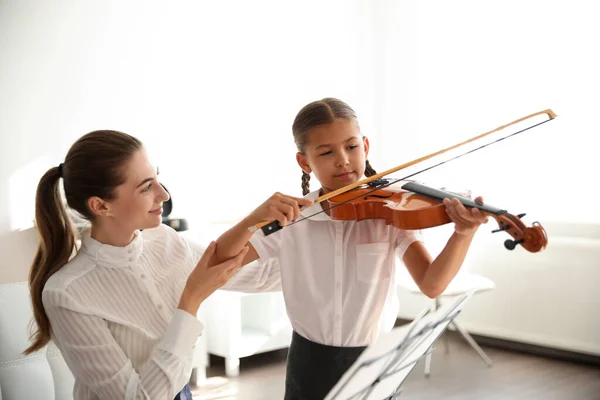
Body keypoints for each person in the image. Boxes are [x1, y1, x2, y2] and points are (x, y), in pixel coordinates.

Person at [212, 97, 490, 399]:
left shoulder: (391, 212)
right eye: (327, 152)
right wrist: (253, 218)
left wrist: (463, 233)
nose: (343, 159)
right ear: (305, 161)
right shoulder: (294, 219)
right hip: (309, 362)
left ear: (365, 146)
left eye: (351, 147)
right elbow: (220, 260)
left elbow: (432, 284)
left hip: (373, 362)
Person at [23, 130, 285, 400]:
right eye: (146, 187)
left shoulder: (165, 240)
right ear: (101, 206)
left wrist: (322, 232)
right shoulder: (67, 294)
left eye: (157, 178)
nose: (164, 194)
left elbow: (259, 276)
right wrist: (191, 299)